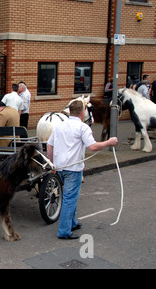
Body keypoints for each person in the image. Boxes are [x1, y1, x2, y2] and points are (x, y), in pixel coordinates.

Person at [47, 100, 118, 240]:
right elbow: (92, 146)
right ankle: (64, 231)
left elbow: (49, 145)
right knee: (70, 198)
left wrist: (52, 163)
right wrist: (109, 142)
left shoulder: (59, 126)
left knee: (69, 196)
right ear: (82, 113)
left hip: (60, 167)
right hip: (73, 168)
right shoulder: (83, 127)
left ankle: (72, 222)